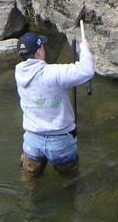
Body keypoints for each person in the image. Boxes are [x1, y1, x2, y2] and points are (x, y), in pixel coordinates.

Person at [15, 32, 95, 187]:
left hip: (32, 140)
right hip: (60, 141)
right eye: (42, 46)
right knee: (70, 180)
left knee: (29, 181)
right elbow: (87, 71)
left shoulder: (19, 73)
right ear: (38, 52)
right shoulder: (53, 73)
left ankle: (28, 203)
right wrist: (84, 49)